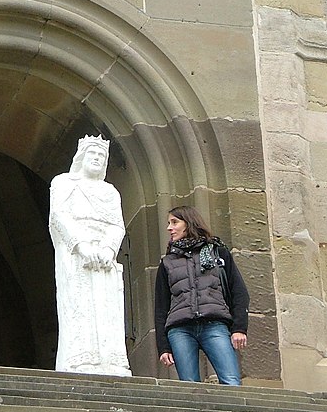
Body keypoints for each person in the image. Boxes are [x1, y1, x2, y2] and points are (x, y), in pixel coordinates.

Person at [49, 135, 131, 376]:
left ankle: (112, 360)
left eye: (101, 156)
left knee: (107, 309)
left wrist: (108, 248)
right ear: (81, 158)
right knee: (79, 305)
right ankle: (82, 358)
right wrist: (82, 246)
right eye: (92, 154)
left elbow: (117, 225)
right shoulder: (64, 183)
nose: (96, 158)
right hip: (77, 255)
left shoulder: (110, 192)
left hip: (104, 256)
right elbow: (59, 216)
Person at [154, 205, 249, 385]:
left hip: (214, 324)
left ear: (188, 223)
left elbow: (239, 291)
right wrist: (163, 347)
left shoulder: (217, 253)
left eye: (175, 222)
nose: (169, 228)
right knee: (190, 386)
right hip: (180, 329)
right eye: (168, 223)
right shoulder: (167, 263)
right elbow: (161, 308)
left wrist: (239, 328)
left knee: (231, 381)